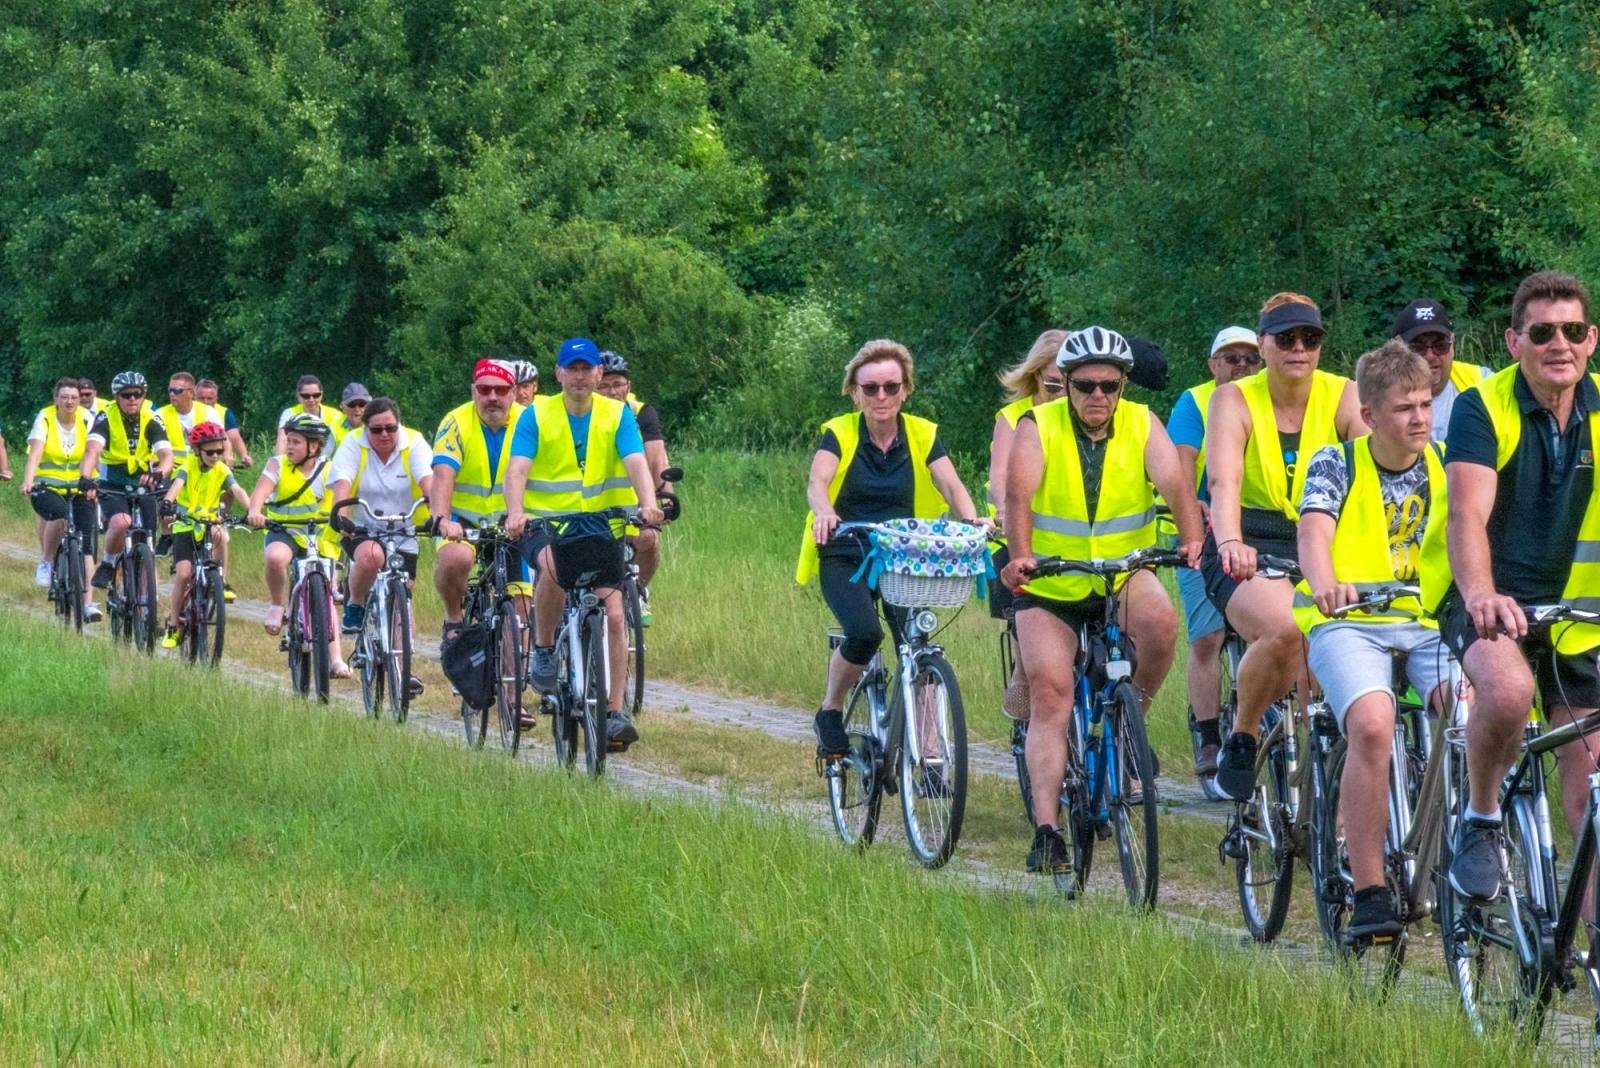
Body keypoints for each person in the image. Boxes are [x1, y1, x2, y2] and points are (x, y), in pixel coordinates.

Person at [999, 327, 1204, 874]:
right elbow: (1018, 495)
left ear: (1123, 386)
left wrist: (1192, 542)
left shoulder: (1142, 423)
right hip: (1051, 583)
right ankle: (1047, 832)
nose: (1098, 397)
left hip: (1120, 574)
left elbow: (1177, 487)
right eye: (1085, 385)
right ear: (1064, 383)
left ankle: (1128, 726)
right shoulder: (1036, 427)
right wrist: (1020, 557)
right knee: (1052, 693)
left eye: (1109, 386)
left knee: (1162, 624)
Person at [1427, 271, 1600, 903]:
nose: (1560, 343)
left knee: (1590, 794)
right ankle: (1481, 815)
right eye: (1543, 331)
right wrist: (1480, 595)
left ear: (1591, 340)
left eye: (1573, 331)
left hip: (1577, 614)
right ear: (1513, 341)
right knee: (1505, 690)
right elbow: (1466, 513)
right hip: (1485, 596)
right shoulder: (1483, 405)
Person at [1297, 340, 1452, 937]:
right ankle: (1369, 890)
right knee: (1370, 724)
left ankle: (1463, 842)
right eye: (1404, 408)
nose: (1419, 418)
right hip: (1349, 623)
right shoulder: (1338, 462)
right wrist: (1326, 582)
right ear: (1369, 416)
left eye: (1425, 404)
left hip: (1430, 621)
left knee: (1470, 713)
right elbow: (1314, 531)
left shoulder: (1443, 461)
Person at [1204, 292, 1364, 802]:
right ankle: (1244, 733)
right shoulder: (1234, 398)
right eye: (1286, 338)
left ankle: (1328, 775)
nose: (1299, 348)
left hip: (1323, 537)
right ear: (1264, 344)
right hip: (1250, 537)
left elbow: (1374, 470)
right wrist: (1229, 540)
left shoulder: (1344, 394)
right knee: (1285, 626)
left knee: (1342, 640)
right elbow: (1223, 482)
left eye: (1310, 339)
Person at [799, 339, 987, 760]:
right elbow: (817, 483)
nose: (881, 396)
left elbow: (951, 485)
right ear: (855, 393)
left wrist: (972, 519)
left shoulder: (922, 433)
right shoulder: (840, 432)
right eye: (870, 388)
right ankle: (830, 710)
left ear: (905, 390)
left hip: (904, 555)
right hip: (846, 549)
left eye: (890, 386)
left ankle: (931, 752)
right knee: (865, 634)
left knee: (917, 645)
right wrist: (826, 513)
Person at [505, 337, 663, 749]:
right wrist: (516, 511)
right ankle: (542, 649)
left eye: (586, 368)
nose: (578, 376)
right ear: (558, 373)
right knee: (553, 572)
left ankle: (613, 712)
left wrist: (648, 505)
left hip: (599, 523)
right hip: (545, 523)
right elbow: (518, 468)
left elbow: (635, 463)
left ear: (598, 373)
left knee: (613, 613)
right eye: (570, 368)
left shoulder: (617, 415)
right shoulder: (536, 414)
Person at [1167, 325, 1262, 781]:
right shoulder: (1195, 400)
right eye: (1231, 358)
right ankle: (1207, 734)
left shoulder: (1271, 398)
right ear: (1213, 364)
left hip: (1260, 531)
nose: (1242, 366)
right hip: (1203, 530)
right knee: (1206, 637)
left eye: (1250, 358)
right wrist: (1191, 511)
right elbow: (1180, 464)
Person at [985, 328, 1069, 717]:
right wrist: (1004, 511)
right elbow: (1000, 478)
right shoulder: (1014, 417)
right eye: (1053, 385)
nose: (1062, 395)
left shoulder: (1082, 413)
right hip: (1019, 532)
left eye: (1071, 384)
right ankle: (1022, 671)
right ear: (1033, 377)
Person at [328, 397, 433, 697]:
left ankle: (403, 667)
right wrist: (342, 518)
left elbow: (429, 482)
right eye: (376, 430)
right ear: (365, 429)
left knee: (405, 591)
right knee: (372, 557)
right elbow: (342, 485)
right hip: (364, 526)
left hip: (403, 526)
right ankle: (356, 603)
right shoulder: (353, 444)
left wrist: (437, 515)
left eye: (391, 428)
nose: (385, 435)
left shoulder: (414, 443)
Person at [430, 359, 527, 637]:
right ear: (473, 391)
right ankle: (454, 618)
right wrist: (442, 518)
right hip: (464, 519)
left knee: (522, 607)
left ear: (514, 391)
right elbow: (443, 473)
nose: (492, 397)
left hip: (513, 520)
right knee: (454, 560)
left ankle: (513, 675)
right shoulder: (455, 421)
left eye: (500, 390)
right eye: (484, 390)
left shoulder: (529, 420)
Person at [247, 413, 349, 676]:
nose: (289, 446)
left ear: (314, 446)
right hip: (285, 531)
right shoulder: (276, 464)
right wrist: (256, 511)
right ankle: (277, 604)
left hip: (320, 536)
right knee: (275, 558)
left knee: (327, 595)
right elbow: (260, 492)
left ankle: (336, 659)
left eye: (295, 442)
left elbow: (342, 499)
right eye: (288, 440)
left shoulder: (330, 468)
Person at [159, 423, 250, 648]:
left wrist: (253, 510)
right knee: (183, 575)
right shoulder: (188, 466)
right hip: (185, 525)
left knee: (220, 534)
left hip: (209, 522)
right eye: (210, 452)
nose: (216, 456)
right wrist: (168, 503)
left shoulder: (221, 469)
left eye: (220, 451)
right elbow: (177, 485)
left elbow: (237, 490)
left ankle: (223, 581)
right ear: (197, 451)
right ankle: (173, 625)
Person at [81, 371, 173, 593]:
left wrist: (160, 472)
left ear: (144, 395)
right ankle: (108, 563)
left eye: (137, 394)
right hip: (113, 481)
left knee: (147, 539)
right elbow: (92, 451)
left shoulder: (151, 418)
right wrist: (85, 477)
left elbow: (167, 455)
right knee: (121, 522)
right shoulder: (105, 417)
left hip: (144, 480)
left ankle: (146, 611)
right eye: (126, 395)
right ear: (116, 396)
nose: (132, 399)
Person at [20, 378, 100, 620]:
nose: (69, 401)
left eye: (74, 398)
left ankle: (87, 603)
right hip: (47, 486)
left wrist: (94, 481)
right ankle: (46, 562)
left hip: (80, 486)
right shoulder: (45, 418)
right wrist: (28, 480)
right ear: (56, 399)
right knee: (58, 516)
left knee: (87, 546)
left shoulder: (87, 418)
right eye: (64, 397)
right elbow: (35, 453)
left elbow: (94, 452)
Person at [597, 350, 672, 607]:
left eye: (617, 384)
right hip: (590, 500)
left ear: (628, 386)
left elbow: (656, 457)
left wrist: (664, 496)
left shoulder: (641, 413)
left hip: (632, 499)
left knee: (649, 539)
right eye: (604, 385)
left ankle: (638, 593)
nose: (611, 391)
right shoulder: (583, 413)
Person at [1390, 298, 1490, 443]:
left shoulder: (1481, 382)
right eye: (1417, 348)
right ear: (1396, 348)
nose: (1430, 356)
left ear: (1453, 343)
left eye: (1440, 346)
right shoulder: (1380, 396)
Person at [157, 371, 226, 466]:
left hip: (201, 467)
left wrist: (227, 455)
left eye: (177, 390)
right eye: (170, 390)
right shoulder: (160, 414)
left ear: (191, 393)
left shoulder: (208, 412)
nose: (172, 394)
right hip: (172, 468)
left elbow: (223, 439)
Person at [196, 379, 254, 468]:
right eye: (201, 398)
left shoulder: (224, 413)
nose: (205, 402)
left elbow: (234, 437)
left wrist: (244, 456)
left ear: (216, 399)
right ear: (194, 398)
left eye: (210, 398)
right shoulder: (188, 412)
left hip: (218, 461)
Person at [276, 375, 339, 453]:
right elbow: (282, 439)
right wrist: (279, 462)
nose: (311, 400)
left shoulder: (335, 415)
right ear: (298, 396)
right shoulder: (290, 414)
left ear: (322, 395)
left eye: (316, 395)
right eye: (306, 396)